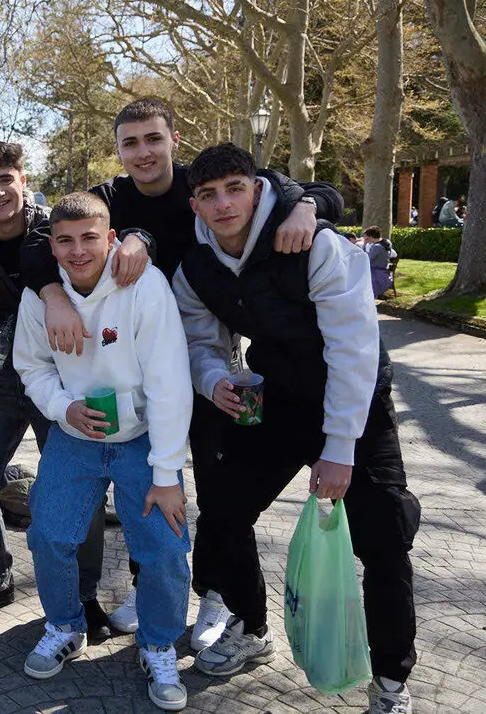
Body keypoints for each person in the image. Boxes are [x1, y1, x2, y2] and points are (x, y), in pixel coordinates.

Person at [20, 97, 343, 650]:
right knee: (153, 493)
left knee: (217, 487)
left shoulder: (209, 181)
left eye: (153, 138)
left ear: (174, 140)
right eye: (130, 142)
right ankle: (149, 590)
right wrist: (52, 293)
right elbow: (43, 242)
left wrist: (308, 205)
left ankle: (214, 590)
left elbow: (310, 193)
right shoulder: (108, 198)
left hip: (207, 350)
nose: (142, 152)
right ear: (118, 150)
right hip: (134, 359)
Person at [171, 143, 420, 714]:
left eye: (235, 187)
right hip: (277, 397)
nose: (224, 204)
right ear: (195, 205)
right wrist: (214, 381)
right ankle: (253, 627)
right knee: (226, 508)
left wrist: (338, 450)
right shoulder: (195, 268)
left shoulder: (317, 244)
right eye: (209, 195)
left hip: (354, 406)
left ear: (257, 188)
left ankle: (390, 682)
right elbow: (198, 341)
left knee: (383, 539)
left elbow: (354, 350)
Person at [14, 192, 193, 711]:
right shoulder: (39, 298)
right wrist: (62, 407)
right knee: (48, 535)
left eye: (90, 237)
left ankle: (158, 643)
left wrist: (166, 472)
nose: (78, 251)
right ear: (50, 246)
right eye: (65, 241)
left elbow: (168, 382)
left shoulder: (143, 285)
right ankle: (66, 625)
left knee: (163, 546)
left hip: (140, 439)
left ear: (111, 239)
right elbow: (32, 368)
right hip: (76, 436)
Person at [0, 141, 109, 634]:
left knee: (83, 488)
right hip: (0, 379)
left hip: (67, 371)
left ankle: (84, 595)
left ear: (24, 179)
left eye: (5, 179)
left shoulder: (57, 227)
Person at [363, 226, 397, 298]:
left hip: (377, 274)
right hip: (384, 271)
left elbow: (367, 260)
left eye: (367, 237)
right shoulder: (386, 242)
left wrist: (364, 244)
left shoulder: (377, 247)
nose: (366, 239)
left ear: (371, 236)